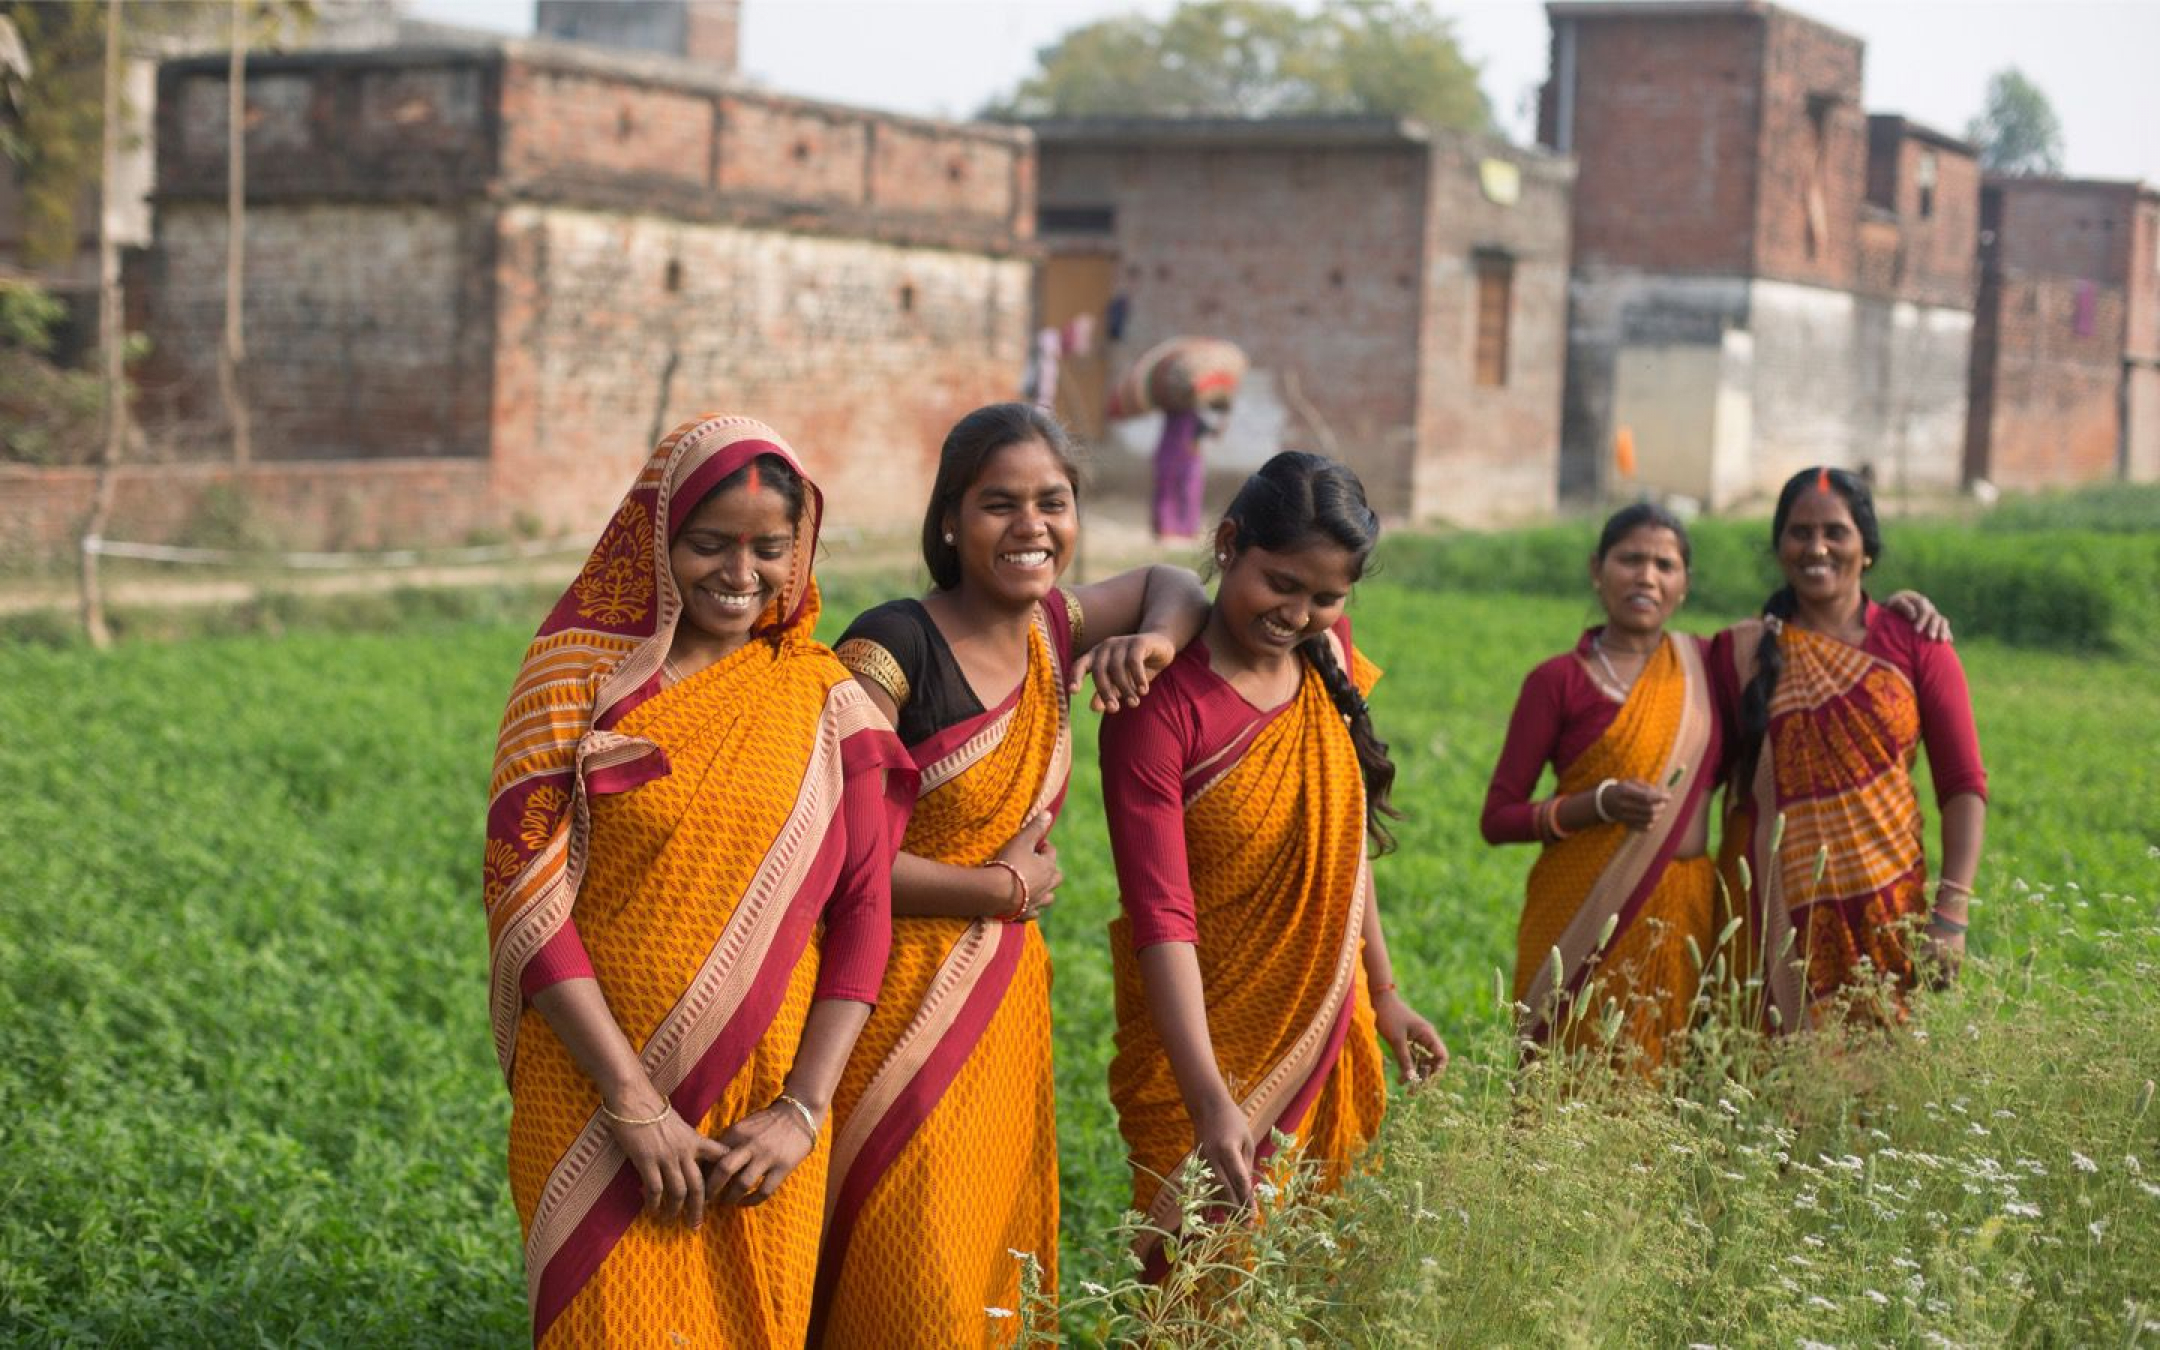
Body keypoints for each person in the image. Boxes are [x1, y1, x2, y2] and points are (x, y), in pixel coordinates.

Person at [484, 415, 911, 1348]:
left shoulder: (825, 699)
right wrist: (632, 1099)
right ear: (655, 541)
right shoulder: (576, 679)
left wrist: (802, 1110)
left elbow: (863, 911)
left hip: (759, 1115)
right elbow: (524, 894)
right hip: (593, 1094)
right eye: (709, 544)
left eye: (770, 548)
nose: (740, 574)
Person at [812, 403, 1208, 1345]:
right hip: (882, 1001)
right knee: (905, 1272)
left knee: (984, 1262)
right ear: (950, 519)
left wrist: (1150, 644)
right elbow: (831, 858)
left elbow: (1174, 580)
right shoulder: (889, 646)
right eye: (1000, 504)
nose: (1032, 526)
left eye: (1053, 502)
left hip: (1002, 1007)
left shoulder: (1055, 630)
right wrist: (1002, 890)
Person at [1099, 450, 1448, 1272]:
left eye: (1327, 597)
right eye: (1281, 583)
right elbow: (1162, 918)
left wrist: (1387, 993)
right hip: (1201, 1048)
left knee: (1311, 1284)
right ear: (1227, 545)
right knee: (1202, 1296)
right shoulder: (1159, 707)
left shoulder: (1327, 662)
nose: (1298, 612)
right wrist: (1212, 1101)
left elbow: (1343, 845)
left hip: (1330, 1021)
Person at [1715, 466, 1988, 1031]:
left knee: (1877, 1089)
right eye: (1799, 532)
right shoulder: (1740, 652)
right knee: (1771, 1090)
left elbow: (1962, 784)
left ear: (1866, 548)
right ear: (1779, 546)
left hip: (1885, 907)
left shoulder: (1915, 641)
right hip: (1772, 913)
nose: (1817, 547)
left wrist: (1952, 910)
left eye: (1835, 532)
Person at [1480, 503, 1720, 1073]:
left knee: (1660, 1081)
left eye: (1665, 564)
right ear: (1597, 569)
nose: (1647, 576)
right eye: (1630, 559)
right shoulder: (1557, 681)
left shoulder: (1710, 669)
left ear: (1684, 584)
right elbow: (1499, 818)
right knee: (1559, 1077)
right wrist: (1598, 805)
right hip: (1578, 910)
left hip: (1680, 912)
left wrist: (1905, 613)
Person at [1151, 400, 1225, 541]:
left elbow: (1216, 434)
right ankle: (1165, 529)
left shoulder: (1194, 418)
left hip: (1188, 463)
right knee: (1166, 495)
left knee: (1190, 494)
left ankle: (1186, 530)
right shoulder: (1172, 412)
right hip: (1169, 460)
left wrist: (1224, 415)